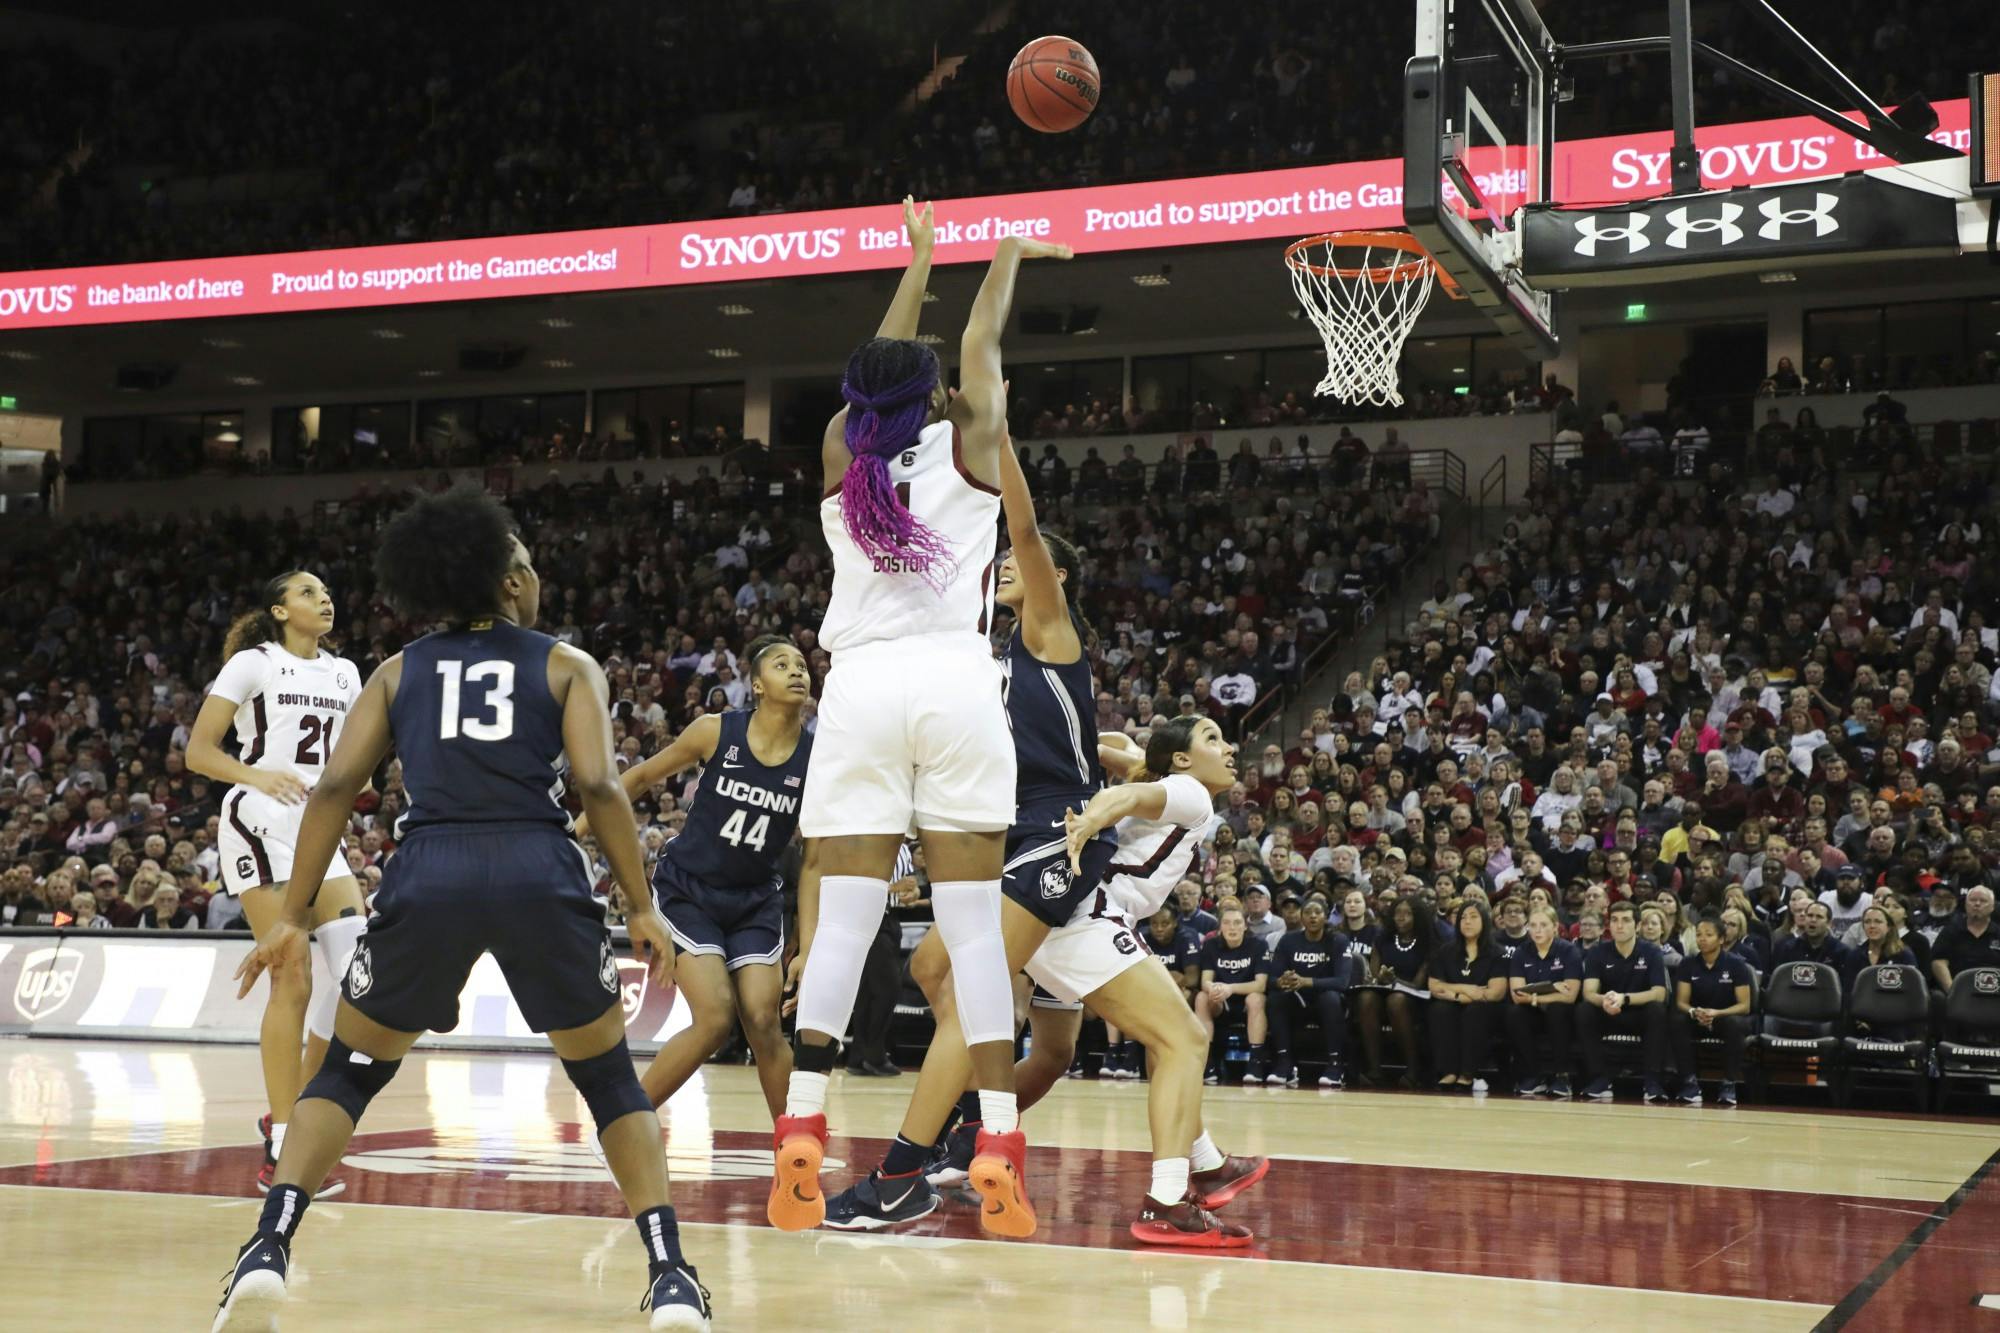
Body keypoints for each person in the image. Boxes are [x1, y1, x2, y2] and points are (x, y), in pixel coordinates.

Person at [210, 489, 707, 1332]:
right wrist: (642, 903)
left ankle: (268, 1245)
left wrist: (291, 911)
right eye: (529, 562)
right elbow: (597, 785)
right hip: (534, 865)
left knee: (350, 1072)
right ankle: (672, 1278)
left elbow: (334, 786)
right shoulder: (565, 663)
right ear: (510, 581)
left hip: (429, 869)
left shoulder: (397, 669)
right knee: (608, 1078)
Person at [775, 199, 1070, 1236]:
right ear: (937, 390)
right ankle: (995, 1138)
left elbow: (881, 371)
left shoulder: (837, 451)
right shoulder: (971, 439)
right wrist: (998, 257)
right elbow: (981, 340)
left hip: (855, 686)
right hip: (952, 681)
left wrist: (917, 257)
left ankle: (803, 1126)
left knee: (847, 919)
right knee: (971, 930)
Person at [821, 436, 1113, 1231]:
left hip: (1057, 835)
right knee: (931, 964)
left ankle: (900, 1175)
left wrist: (997, 443)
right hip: (1008, 827)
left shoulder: (1052, 628)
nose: (1009, 564)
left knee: (967, 1010)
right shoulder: (994, 656)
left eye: (1026, 560)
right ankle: (969, 1122)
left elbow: (1020, 532)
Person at [575, 635, 814, 1120]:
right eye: (782, 664)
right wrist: (575, 830)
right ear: (757, 685)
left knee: (765, 1022)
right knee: (714, 1019)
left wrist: (807, 945)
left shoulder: (817, 758)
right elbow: (640, 778)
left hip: (754, 901)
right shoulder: (715, 731)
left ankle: (794, 1150)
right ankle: (624, 1125)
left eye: (803, 665)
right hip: (688, 891)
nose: (797, 672)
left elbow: (814, 859)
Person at [186, 570, 370, 1194]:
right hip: (259, 819)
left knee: (357, 975)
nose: (324, 598)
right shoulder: (252, 663)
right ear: (280, 610)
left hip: (320, 826)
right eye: (309, 592)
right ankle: (284, 1142)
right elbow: (198, 752)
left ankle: (296, 1105)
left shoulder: (346, 674)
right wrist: (257, 775)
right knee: (292, 974)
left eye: (326, 591)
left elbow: (355, 754)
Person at [1577, 901, 1670, 1102]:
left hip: (1639, 1014)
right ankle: (1599, 1079)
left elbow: (1659, 993)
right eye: (1615, 920)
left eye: (1626, 920)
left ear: (1637, 926)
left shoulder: (1652, 952)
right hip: (1610, 1012)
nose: (1619, 925)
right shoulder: (1597, 952)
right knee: (1584, 1010)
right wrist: (1606, 1000)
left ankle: (1652, 1081)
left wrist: (1624, 999)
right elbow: (1589, 992)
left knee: (1657, 1010)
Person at [1265, 895, 1355, 1088]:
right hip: (1298, 1001)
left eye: (1318, 912)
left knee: (1330, 998)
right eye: (1308, 912)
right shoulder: (1289, 940)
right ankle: (1285, 1064)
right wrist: (1281, 981)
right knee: (1275, 998)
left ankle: (1335, 1065)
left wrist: (1306, 981)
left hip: (1328, 1001)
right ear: (1301, 917)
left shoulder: (1338, 940)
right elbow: (1270, 979)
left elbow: (1342, 982)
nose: (1313, 917)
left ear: (1325, 917)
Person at [1669, 915, 1754, 1106]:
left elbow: (1744, 1006)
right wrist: (1694, 1012)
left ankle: (1728, 1083)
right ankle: (1689, 1082)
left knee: (1735, 1023)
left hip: (1725, 1017)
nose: (1702, 939)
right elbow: (1681, 1001)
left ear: (1721, 939)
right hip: (1697, 1017)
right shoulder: (1688, 963)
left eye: (1708, 934)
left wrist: (1716, 1013)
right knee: (1677, 1019)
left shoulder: (1736, 964)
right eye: (1699, 934)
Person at [1428, 899, 1506, 1088]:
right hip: (1454, 1002)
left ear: (1485, 921)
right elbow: (1435, 985)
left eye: (1473, 917)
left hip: (1485, 1007)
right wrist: (1464, 991)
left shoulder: (1496, 952)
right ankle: (1449, 1071)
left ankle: (1467, 1073)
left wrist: (1456, 991)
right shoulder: (1446, 950)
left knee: (1475, 1011)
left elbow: (1495, 992)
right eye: (1463, 917)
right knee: (1440, 1009)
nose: (1467, 922)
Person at [1355, 895, 1431, 1087]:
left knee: (1396, 1000)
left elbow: (1418, 985)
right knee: (1366, 997)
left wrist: (1395, 981)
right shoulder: (1382, 939)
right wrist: (1380, 979)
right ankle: (1374, 1070)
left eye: (1407, 914)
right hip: (1383, 993)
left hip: (1415, 1000)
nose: (1401, 917)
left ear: (1418, 917)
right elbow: (1372, 978)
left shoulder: (1427, 943)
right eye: (1397, 913)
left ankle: (1414, 1071)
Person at [1505, 905, 1581, 1098]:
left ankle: (1562, 1076)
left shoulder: (1568, 951)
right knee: (1514, 1013)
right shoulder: (1522, 952)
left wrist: (1533, 996)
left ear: (1555, 927)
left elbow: (1570, 995)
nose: (1537, 930)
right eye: (1533, 925)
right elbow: (1517, 994)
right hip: (1532, 1010)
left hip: (1562, 1013)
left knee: (1557, 1009)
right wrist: (1553, 988)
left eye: (1543, 925)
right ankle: (1533, 1075)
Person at [1198, 905, 1269, 1084]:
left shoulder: (1259, 945)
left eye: (1237, 923)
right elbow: (1205, 981)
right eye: (1227, 923)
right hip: (1220, 1003)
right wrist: (1213, 988)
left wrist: (1230, 988)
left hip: (1246, 1002)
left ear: (1245, 926)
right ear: (1220, 926)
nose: (1232, 927)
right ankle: (1207, 1063)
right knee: (1201, 997)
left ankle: (1255, 1063)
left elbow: (1260, 985)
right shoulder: (1210, 945)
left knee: (1255, 998)